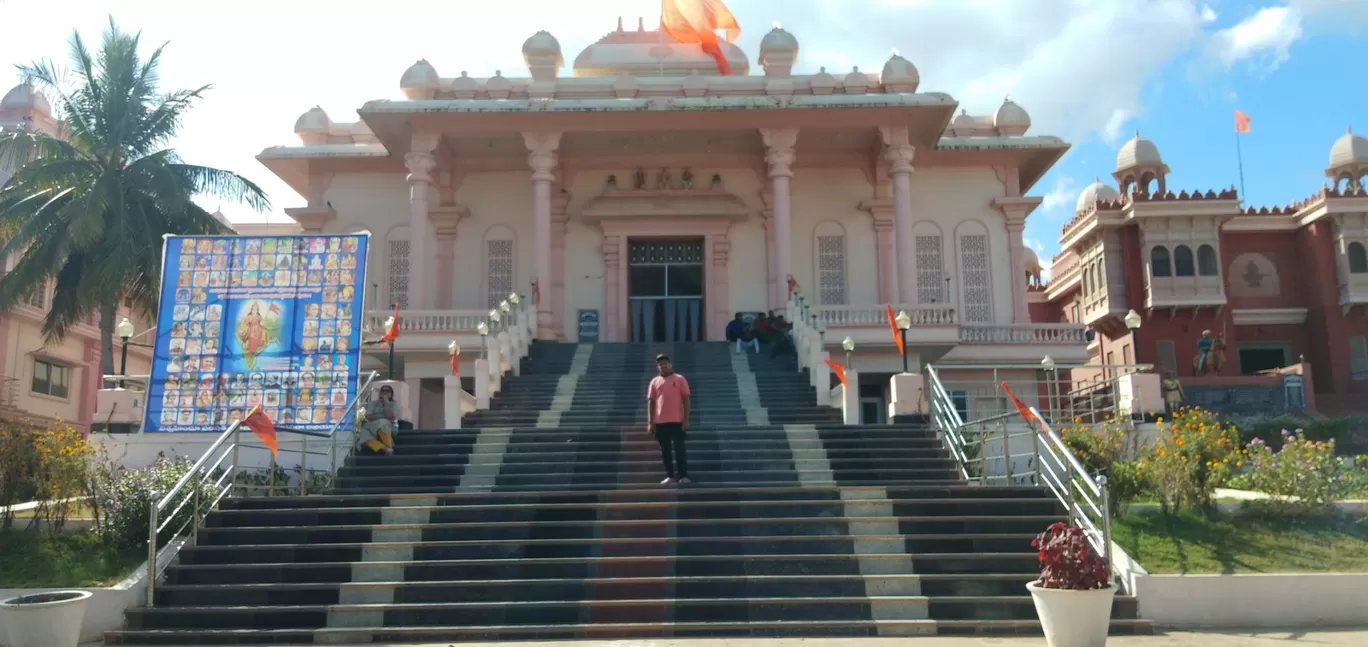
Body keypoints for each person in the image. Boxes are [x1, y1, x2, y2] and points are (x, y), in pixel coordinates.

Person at [647, 354, 691, 485]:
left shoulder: (680, 379)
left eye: (665, 363)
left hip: (677, 421)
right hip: (660, 422)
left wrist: (686, 419)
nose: (663, 366)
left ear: (670, 364)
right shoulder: (654, 381)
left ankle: (683, 476)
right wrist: (651, 422)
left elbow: (686, 399)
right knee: (665, 451)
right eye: (660, 364)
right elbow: (651, 401)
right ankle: (670, 476)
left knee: (680, 450)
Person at [359, 384, 398, 455]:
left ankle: (388, 446)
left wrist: (386, 402)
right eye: (382, 391)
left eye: (387, 391)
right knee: (365, 433)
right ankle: (387, 449)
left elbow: (390, 416)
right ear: (380, 393)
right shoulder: (373, 403)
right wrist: (383, 419)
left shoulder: (394, 404)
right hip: (373, 426)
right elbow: (368, 416)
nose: (384, 392)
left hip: (390, 427)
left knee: (383, 423)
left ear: (391, 394)